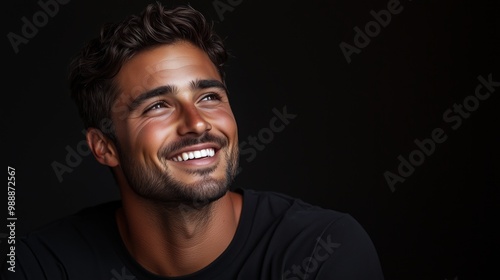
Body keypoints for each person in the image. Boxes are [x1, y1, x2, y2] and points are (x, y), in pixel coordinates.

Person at [1, 2, 385, 279]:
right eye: (157, 106)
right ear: (104, 147)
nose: (197, 123)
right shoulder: (42, 265)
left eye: (208, 97)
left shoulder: (322, 250)